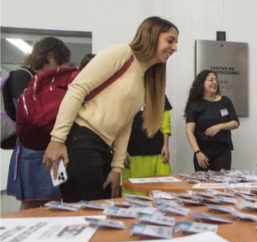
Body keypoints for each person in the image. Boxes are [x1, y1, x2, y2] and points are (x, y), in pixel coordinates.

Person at [43, 16, 179, 203]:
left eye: (176, 42)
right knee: (88, 211)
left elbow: (126, 124)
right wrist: (57, 139)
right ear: (152, 35)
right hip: (81, 139)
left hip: (103, 147)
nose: (174, 48)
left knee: (102, 210)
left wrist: (116, 168)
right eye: (170, 41)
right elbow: (77, 88)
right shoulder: (123, 53)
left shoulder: (144, 77)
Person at [6, 37, 71, 209]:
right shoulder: (22, 76)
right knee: (32, 205)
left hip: (45, 147)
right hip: (32, 149)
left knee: (53, 202)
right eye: (60, 62)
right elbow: (30, 114)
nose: (60, 69)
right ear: (49, 55)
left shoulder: (39, 80)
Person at [185, 70, 239, 171]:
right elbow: (189, 131)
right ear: (202, 83)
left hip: (223, 150)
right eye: (211, 80)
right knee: (202, 183)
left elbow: (235, 123)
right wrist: (198, 152)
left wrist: (220, 126)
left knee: (222, 182)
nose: (215, 82)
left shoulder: (225, 101)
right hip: (202, 151)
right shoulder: (195, 104)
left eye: (216, 80)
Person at [123, 95, 172, 194]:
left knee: (163, 192)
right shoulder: (128, 93)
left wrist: (166, 145)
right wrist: (122, 150)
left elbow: (165, 122)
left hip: (158, 151)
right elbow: (121, 124)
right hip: (133, 153)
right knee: (136, 194)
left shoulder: (159, 94)